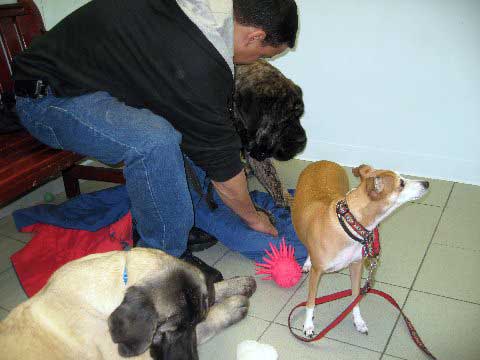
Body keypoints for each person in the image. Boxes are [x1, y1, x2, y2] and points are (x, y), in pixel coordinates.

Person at [13, 0, 298, 281]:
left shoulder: (202, 13)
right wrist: (252, 217)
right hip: (48, 100)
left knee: (188, 126)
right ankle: (160, 261)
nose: (260, 61)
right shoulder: (199, 58)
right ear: (255, 36)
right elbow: (223, 169)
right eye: (266, 55)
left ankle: (182, 212)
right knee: (155, 142)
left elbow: (206, 136)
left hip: (91, 82)